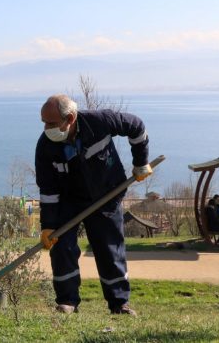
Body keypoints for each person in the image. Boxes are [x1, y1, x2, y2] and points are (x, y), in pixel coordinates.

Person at [35, 94, 152, 316]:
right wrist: (48, 226)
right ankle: (67, 302)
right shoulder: (45, 146)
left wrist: (141, 162)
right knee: (62, 248)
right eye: (43, 122)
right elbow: (48, 191)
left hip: (107, 194)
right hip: (69, 201)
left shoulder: (100, 121)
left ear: (69, 118)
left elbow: (137, 127)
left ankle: (119, 303)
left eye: (50, 123)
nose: (46, 128)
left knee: (109, 248)